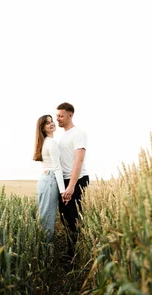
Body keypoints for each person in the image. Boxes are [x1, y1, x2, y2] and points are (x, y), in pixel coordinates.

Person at [56, 102, 89, 259]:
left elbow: (79, 161)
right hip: (65, 181)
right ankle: (71, 252)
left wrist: (71, 186)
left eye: (61, 116)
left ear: (70, 115)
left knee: (74, 218)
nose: (58, 119)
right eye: (57, 116)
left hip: (76, 180)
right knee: (64, 217)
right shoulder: (63, 136)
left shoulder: (78, 134)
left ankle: (75, 256)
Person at [33, 114, 65, 241]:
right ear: (42, 128)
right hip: (50, 180)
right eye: (47, 123)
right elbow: (57, 168)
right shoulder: (51, 143)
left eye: (52, 121)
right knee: (47, 222)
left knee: (44, 218)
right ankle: (45, 255)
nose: (52, 124)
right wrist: (63, 191)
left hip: (45, 180)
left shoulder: (45, 142)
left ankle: (42, 252)